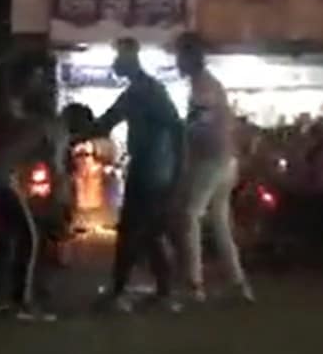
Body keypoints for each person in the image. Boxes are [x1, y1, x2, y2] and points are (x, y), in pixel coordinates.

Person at [93, 38, 185, 313]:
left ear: (129, 59)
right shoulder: (140, 91)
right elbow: (107, 121)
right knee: (150, 232)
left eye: (118, 58)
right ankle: (163, 293)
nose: (114, 64)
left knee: (132, 231)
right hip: (152, 168)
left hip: (151, 169)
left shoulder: (148, 91)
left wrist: (177, 171)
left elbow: (176, 128)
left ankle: (120, 292)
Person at [0, 53, 71, 322]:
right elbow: (54, 165)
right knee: (27, 240)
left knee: (2, 239)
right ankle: (22, 302)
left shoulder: (19, 119)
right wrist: (60, 197)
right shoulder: (45, 126)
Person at [174, 34, 255, 303]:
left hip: (212, 160)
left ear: (189, 57)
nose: (177, 61)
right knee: (220, 222)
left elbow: (198, 123)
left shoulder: (203, 86)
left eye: (180, 55)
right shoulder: (209, 83)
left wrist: (179, 132)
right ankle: (238, 282)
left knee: (191, 215)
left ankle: (194, 283)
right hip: (225, 160)